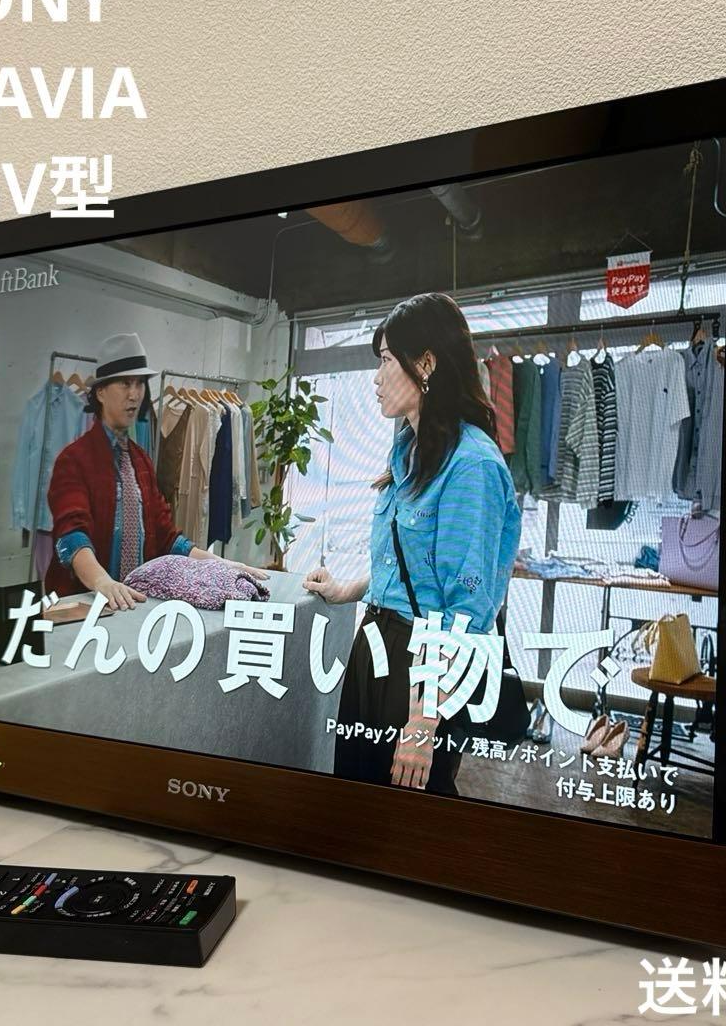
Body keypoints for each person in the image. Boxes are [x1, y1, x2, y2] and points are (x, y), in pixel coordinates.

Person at [303, 293, 521, 795]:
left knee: (405, 816)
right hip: (376, 645)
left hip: (426, 667)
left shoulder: (472, 466)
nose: (376, 377)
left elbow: (466, 611)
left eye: (385, 360)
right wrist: (347, 590)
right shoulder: (408, 448)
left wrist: (424, 720)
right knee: (357, 802)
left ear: (425, 364)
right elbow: (411, 570)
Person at [45, 332, 266, 608]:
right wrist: (103, 582)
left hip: (133, 604)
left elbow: (168, 538)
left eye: (139, 384)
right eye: (125, 384)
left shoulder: (140, 461)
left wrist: (221, 564)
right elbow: (71, 534)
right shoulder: (74, 459)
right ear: (100, 392)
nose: (134, 394)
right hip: (83, 603)